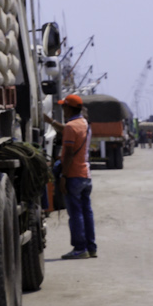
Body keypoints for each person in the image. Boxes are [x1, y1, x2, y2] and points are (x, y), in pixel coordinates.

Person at [43, 94, 96, 259]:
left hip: (73, 175)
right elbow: (66, 130)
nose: (62, 109)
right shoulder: (85, 125)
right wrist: (50, 122)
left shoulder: (71, 127)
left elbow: (68, 155)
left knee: (75, 214)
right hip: (86, 175)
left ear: (69, 108)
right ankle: (91, 247)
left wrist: (64, 177)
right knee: (87, 212)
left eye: (64, 107)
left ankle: (80, 248)